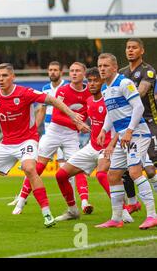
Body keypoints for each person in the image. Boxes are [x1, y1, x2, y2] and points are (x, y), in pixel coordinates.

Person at [0, 63, 88, 227]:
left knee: (30, 168)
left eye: (4, 76)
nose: (1, 79)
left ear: (13, 77)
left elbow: (52, 100)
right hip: (7, 144)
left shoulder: (24, 93)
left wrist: (72, 115)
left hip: (27, 140)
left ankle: (47, 214)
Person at [53, 67, 133, 223]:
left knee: (102, 174)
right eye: (89, 81)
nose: (92, 84)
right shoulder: (89, 101)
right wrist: (78, 124)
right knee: (61, 175)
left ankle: (122, 211)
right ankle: (73, 210)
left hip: (110, 147)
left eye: (96, 80)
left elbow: (122, 124)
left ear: (102, 81)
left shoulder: (109, 100)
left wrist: (112, 144)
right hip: (92, 146)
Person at [13, 62, 92, 215]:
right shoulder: (63, 90)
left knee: (77, 166)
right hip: (54, 131)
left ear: (84, 74)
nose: (74, 73)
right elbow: (56, 115)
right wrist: (77, 122)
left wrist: (81, 125)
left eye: (77, 71)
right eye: (72, 71)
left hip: (71, 135)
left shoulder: (89, 92)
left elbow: (86, 113)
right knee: (38, 167)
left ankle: (84, 202)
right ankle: (21, 201)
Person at [96, 53, 157, 229]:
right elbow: (111, 112)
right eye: (100, 66)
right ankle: (116, 219)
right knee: (113, 175)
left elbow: (138, 107)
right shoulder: (106, 89)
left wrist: (129, 131)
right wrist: (104, 130)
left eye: (105, 66)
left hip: (137, 134)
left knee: (135, 172)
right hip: (123, 136)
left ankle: (152, 215)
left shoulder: (124, 83)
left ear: (114, 67)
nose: (102, 69)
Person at [8, 61, 68, 207]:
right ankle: (22, 196)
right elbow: (41, 110)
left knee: (65, 168)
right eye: (50, 70)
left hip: (64, 131)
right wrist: (33, 129)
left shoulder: (66, 87)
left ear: (61, 72)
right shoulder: (46, 88)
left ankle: (74, 202)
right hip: (49, 133)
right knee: (32, 167)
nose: (52, 72)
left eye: (55, 70)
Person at [119, 38, 157, 214]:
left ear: (141, 51)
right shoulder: (122, 72)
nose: (130, 50)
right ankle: (133, 202)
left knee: (152, 166)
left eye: (134, 48)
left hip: (149, 122)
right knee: (127, 166)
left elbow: (140, 93)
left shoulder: (148, 71)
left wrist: (122, 93)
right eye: (128, 48)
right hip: (129, 124)